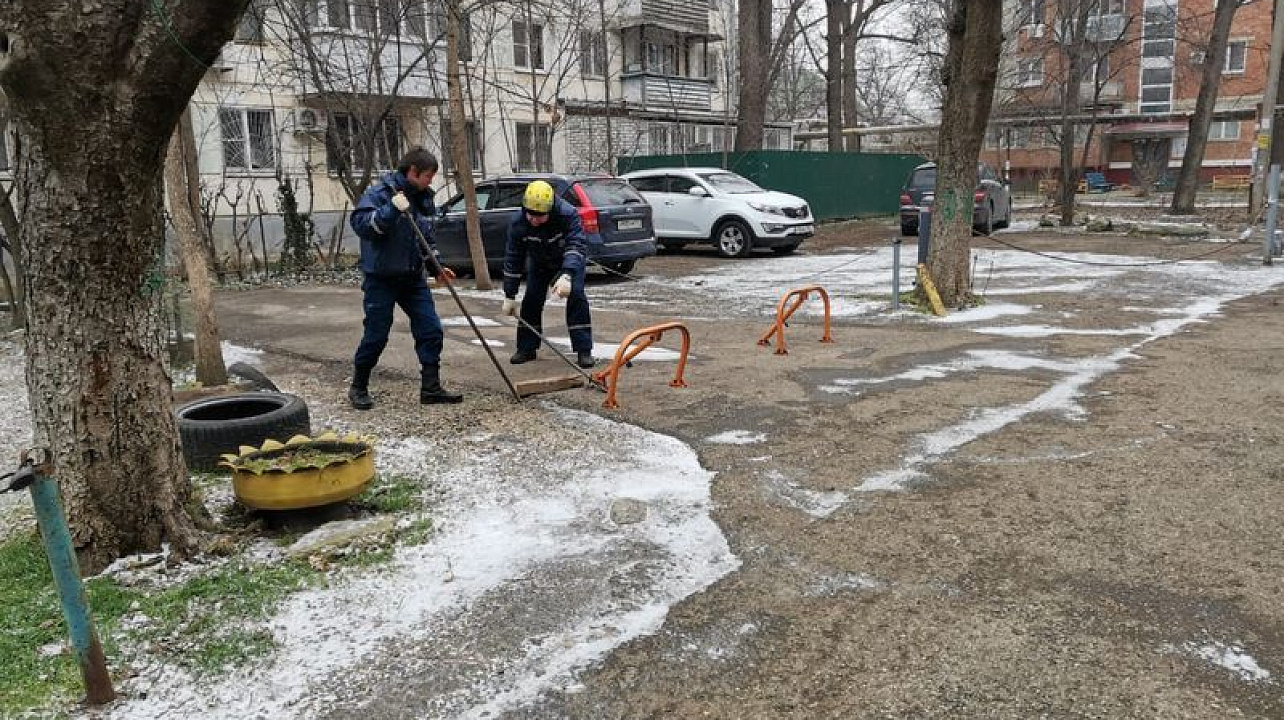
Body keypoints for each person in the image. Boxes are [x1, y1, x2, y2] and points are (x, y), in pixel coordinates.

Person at [347, 147, 462, 410]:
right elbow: (363, 226)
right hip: (382, 278)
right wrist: (391, 210)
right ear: (412, 171)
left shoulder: (421, 197)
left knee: (431, 329)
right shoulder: (379, 195)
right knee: (376, 334)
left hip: (412, 277)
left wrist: (437, 267)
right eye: (428, 177)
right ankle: (358, 386)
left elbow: (425, 236)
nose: (430, 182)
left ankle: (431, 388)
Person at [500, 180, 595, 369]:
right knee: (531, 300)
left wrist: (567, 274)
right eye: (531, 215)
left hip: (568, 262)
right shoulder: (518, 222)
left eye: (540, 216)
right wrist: (509, 294)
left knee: (576, 297)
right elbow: (514, 257)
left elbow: (576, 245)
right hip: (539, 262)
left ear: (550, 210)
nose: (534, 220)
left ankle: (584, 350)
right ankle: (527, 348)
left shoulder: (567, 214)